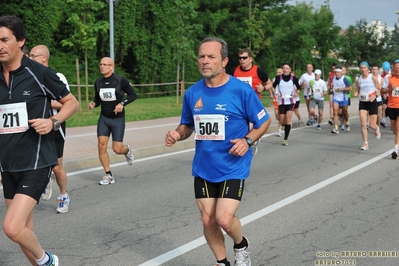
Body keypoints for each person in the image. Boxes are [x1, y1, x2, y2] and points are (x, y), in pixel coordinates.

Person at [165, 37, 271, 266]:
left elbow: (263, 121)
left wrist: (248, 140)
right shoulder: (193, 93)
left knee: (223, 218)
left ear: (224, 61)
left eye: (211, 57)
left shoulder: (241, 91)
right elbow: (187, 125)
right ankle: (222, 262)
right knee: (207, 219)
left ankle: (241, 244)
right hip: (204, 166)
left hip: (233, 165)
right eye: (201, 56)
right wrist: (176, 134)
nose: (205, 61)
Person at [0, 15, 79, 266]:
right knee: (24, 232)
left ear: (20, 41)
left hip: (36, 162)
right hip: (8, 164)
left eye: (4, 40)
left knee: (12, 228)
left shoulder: (39, 73)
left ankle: (48, 260)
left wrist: (52, 122)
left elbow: (72, 103)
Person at [29, 44, 71, 213]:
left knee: (56, 167)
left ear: (44, 58)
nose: (30, 59)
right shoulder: (29, 76)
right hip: (36, 127)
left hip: (55, 125)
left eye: (33, 56)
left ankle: (63, 196)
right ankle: (44, 181)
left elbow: (66, 102)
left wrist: (43, 100)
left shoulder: (57, 76)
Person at [88, 57, 137, 185]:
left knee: (117, 149)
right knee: (101, 145)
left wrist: (122, 103)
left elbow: (133, 95)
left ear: (112, 66)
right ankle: (108, 175)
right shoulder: (98, 82)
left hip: (117, 119)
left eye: (105, 64)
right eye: (101, 64)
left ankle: (127, 150)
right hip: (104, 118)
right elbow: (98, 99)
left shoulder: (120, 80)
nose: (102, 66)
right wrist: (94, 103)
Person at [233, 48, 272, 155]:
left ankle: (253, 141)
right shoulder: (235, 70)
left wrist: (263, 88)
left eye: (244, 58)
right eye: (240, 58)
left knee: (251, 127)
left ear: (250, 59)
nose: (242, 60)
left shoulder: (258, 71)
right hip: (238, 104)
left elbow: (270, 84)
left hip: (253, 105)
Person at [354, 62, 381, 150]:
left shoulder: (372, 77)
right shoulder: (359, 79)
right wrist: (356, 92)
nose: (362, 69)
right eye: (361, 68)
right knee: (363, 123)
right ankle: (365, 143)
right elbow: (357, 89)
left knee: (372, 125)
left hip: (372, 102)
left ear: (367, 68)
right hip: (363, 102)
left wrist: (375, 96)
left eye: (364, 67)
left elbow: (379, 87)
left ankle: (377, 129)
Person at [272, 62, 301, 146]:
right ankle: (288, 126)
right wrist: (274, 93)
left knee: (288, 119)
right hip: (281, 102)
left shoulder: (293, 78)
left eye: (287, 68)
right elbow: (273, 86)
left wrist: (297, 93)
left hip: (291, 101)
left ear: (290, 69)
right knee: (281, 121)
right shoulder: (278, 78)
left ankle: (285, 138)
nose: (285, 69)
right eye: (284, 68)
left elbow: (299, 87)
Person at [381, 59, 399, 159]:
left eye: (398, 68)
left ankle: (395, 150)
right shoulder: (389, 78)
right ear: (392, 69)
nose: (397, 70)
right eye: (395, 68)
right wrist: (390, 89)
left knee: (398, 126)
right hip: (391, 106)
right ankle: (397, 142)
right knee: (395, 129)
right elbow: (382, 91)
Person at [331, 66, 352, 134]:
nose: (336, 73)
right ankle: (336, 128)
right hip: (336, 98)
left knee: (344, 112)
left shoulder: (344, 79)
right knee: (335, 112)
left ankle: (347, 122)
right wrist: (331, 89)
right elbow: (331, 86)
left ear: (340, 72)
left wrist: (342, 89)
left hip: (343, 98)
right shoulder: (333, 78)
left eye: (337, 72)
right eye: (335, 72)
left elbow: (350, 88)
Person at [273, 68, 284, 136]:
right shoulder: (274, 79)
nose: (278, 74)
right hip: (276, 99)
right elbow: (272, 87)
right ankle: (285, 123)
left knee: (281, 115)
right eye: (277, 72)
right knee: (277, 117)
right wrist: (272, 93)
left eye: (280, 72)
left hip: (283, 100)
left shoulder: (285, 80)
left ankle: (279, 130)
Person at [380, 61, 391, 128]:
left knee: (390, 109)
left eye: (385, 70)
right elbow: (383, 86)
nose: (384, 71)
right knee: (383, 107)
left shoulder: (390, 75)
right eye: (384, 69)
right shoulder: (382, 76)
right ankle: (383, 120)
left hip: (392, 95)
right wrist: (383, 93)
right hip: (385, 94)